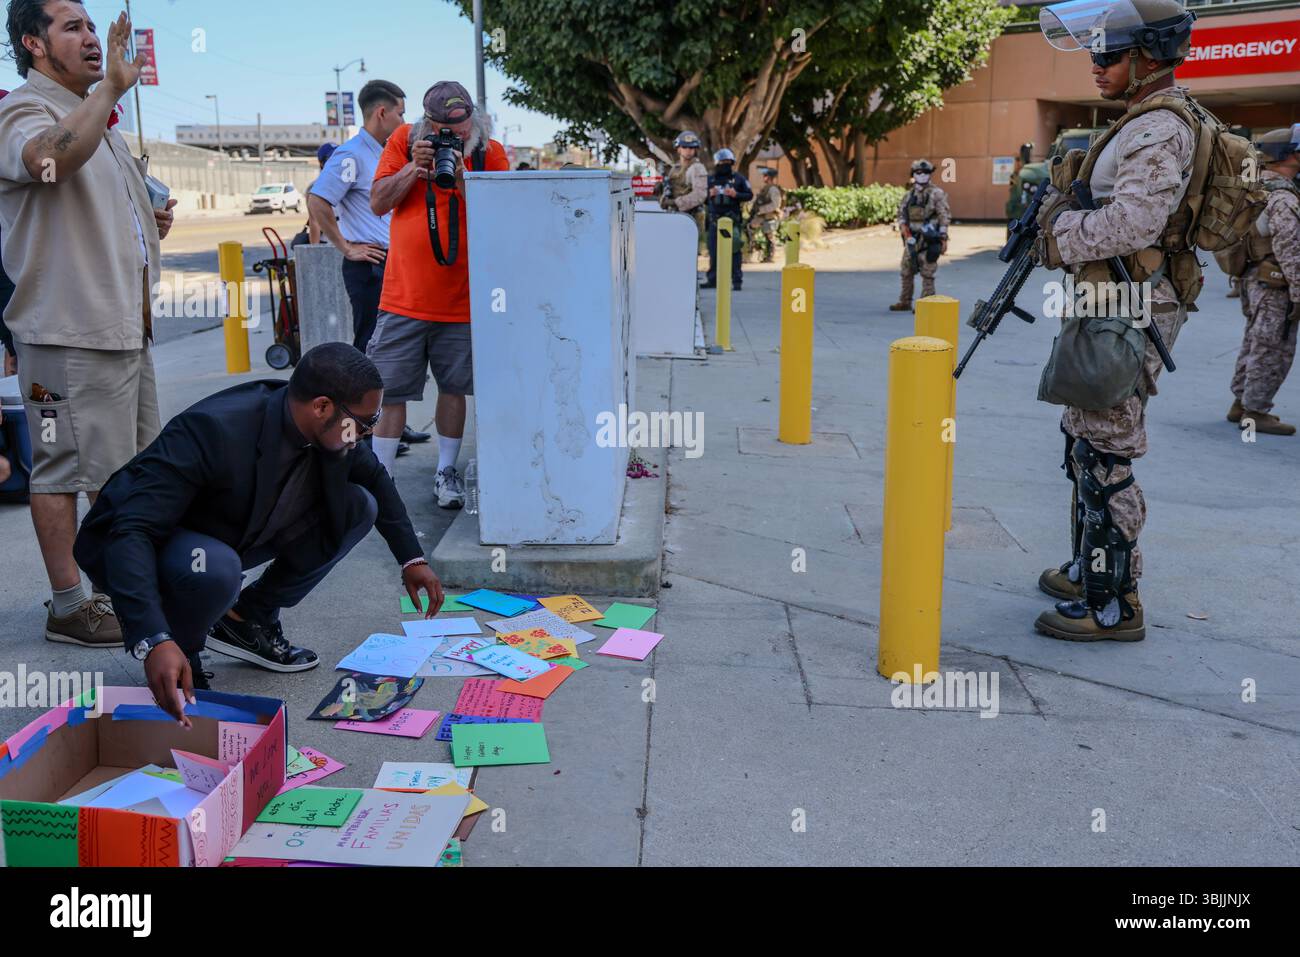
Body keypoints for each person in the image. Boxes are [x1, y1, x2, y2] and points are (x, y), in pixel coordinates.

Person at [73, 343, 445, 717]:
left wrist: (411, 559)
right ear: (321, 407)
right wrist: (153, 640)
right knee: (217, 569)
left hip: (231, 532)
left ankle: (247, 618)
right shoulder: (213, 430)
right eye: (365, 422)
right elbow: (131, 532)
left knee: (359, 506)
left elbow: (377, 480)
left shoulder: (335, 428)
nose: (368, 432)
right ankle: (183, 655)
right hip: (147, 545)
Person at [0, 1, 177, 648]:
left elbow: (95, 201)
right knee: (61, 469)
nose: (92, 38)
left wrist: (143, 224)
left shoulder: (100, 120)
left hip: (122, 330)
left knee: (123, 473)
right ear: (34, 44)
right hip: (65, 337)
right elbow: (48, 161)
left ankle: (120, 591)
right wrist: (107, 91)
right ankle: (72, 605)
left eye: (91, 25)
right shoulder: (23, 107)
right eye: (71, 27)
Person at [1032, 0, 1208, 642]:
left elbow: (1134, 224)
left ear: (1150, 56)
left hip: (1137, 305)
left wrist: (1058, 233)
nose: (1096, 63)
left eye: (1109, 52)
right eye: (1095, 49)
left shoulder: (1160, 127)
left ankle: (1115, 604)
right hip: (1111, 300)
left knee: (1106, 448)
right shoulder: (1136, 121)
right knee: (1083, 434)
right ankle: (1088, 570)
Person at [367, 80, 508, 507]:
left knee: (454, 388)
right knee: (389, 391)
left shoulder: (490, 152)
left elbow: (501, 215)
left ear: (475, 121)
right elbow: (377, 202)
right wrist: (414, 168)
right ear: (428, 123)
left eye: (463, 129)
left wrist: (465, 177)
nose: (456, 137)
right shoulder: (403, 141)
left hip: (462, 300)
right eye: (447, 129)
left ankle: (446, 471)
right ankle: (381, 480)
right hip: (403, 297)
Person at [307, 80, 408, 356]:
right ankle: (366, 400)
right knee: (373, 346)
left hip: (392, 263)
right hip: (370, 266)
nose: (404, 121)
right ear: (382, 113)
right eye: (401, 114)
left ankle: (385, 398)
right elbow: (318, 200)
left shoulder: (384, 153)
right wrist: (346, 247)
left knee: (393, 347)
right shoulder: (352, 155)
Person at [1227, 126, 1300, 436]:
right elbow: (1290, 248)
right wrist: (1299, 292)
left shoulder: (1256, 188)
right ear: (1288, 155)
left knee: (1255, 340)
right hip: (1276, 284)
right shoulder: (1283, 196)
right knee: (1274, 347)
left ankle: (1240, 402)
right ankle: (1255, 411)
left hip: (1254, 278)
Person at [889, 159, 951, 311]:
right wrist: (903, 227)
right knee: (906, 270)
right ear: (913, 174)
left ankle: (926, 305)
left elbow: (944, 216)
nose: (922, 175)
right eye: (918, 173)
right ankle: (905, 301)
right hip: (912, 239)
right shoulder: (909, 195)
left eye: (926, 173)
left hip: (930, 239)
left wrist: (943, 238)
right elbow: (901, 214)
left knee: (927, 272)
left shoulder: (937, 193)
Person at [702, 147, 752, 290]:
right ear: (717, 162)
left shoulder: (739, 178)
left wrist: (736, 194)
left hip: (732, 221)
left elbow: (749, 195)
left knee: (735, 251)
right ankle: (712, 280)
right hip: (714, 220)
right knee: (713, 251)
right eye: (722, 161)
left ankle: (737, 281)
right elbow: (701, 199)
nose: (725, 164)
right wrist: (709, 194)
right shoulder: (710, 179)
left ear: (732, 162)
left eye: (728, 162)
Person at [659, 131, 708, 237]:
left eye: (691, 148)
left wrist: (676, 202)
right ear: (678, 148)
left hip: (692, 217)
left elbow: (700, 195)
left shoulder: (697, 168)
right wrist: (664, 199)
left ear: (695, 150)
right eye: (685, 147)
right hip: (675, 215)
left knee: (689, 251)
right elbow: (669, 189)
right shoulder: (675, 168)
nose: (688, 151)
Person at [748, 167, 784, 263]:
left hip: (769, 216)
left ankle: (770, 256)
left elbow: (776, 204)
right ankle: (755, 248)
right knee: (749, 227)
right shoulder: (766, 188)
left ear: (769, 177)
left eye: (765, 176)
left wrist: (761, 210)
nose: (764, 177)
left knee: (769, 236)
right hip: (762, 216)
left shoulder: (773, 189)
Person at [304, 142, 337, 246]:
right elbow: (314, 222)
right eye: (332, 158)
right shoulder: (315, 187)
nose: (337, 160)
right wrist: (315, 250)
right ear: (322, 163)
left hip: (351, 244)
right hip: (328, 244)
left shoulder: (348, 183)